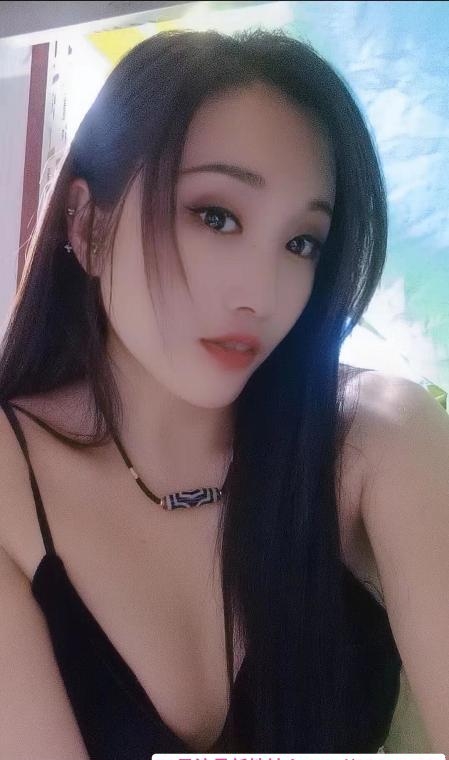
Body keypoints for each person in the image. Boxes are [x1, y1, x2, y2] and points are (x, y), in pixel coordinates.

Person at [0, 27, 448, 759]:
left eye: (300, 242)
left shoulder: (378, 439)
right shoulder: (11, 486)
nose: (261, 295)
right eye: (216, 216)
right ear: (87, 223)